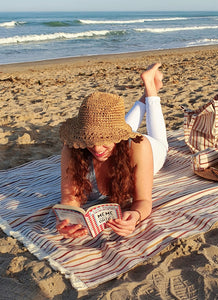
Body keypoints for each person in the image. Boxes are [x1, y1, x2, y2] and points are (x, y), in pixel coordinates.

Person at [57, 63, 168, 238]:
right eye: (90, 140)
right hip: (118, 136)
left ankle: (151, 88)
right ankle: (147, 91)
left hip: (150, 149)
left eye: (103, 140)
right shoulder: (75, 146)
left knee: (162, 142)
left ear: (117, 137)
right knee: (120, 126)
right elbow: (70, 198)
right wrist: (68, 220)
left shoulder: (140, 146)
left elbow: (143, 201)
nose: (96, 148)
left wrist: (136, 216)